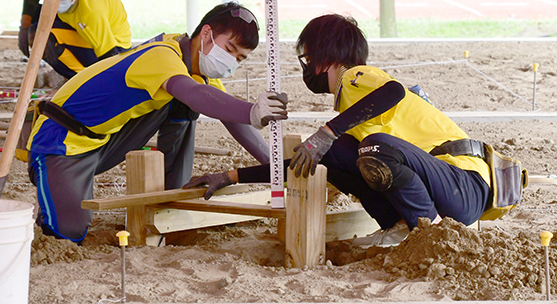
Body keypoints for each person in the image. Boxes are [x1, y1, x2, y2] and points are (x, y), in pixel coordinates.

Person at [185, 13, 491, 248]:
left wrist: (328, 130)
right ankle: (399, 225)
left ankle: (431, 232)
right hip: (449, 190)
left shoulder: (357, 76)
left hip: (463, 185)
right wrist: (230, 177)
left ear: (324, 55)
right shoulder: (355, 107)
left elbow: (394, 92)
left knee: (375, 146)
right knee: (336, 157)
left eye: (308, 56)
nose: (307, 66)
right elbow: (308, 163)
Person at [25, 2, 288, 242]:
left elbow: (228, 115)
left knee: (187, 102)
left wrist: (275, 166)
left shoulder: (195, 66)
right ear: (206, 34)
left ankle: (172, 199)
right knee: (66, 234)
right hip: (61, 140)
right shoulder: (163, 55)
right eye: (230, 50)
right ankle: (52, 190)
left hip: (104, 140)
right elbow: (197, 96)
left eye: (239, 58)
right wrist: (253, 111)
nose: (232, 62)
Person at [19, 0, 132, 79]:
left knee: (42, 38)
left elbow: (110, 56)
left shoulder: (91, 12)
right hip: (83, 28)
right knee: (35, 17)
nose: (56, 3)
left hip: (116, 48)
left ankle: (82, 80)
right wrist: (25, 26)